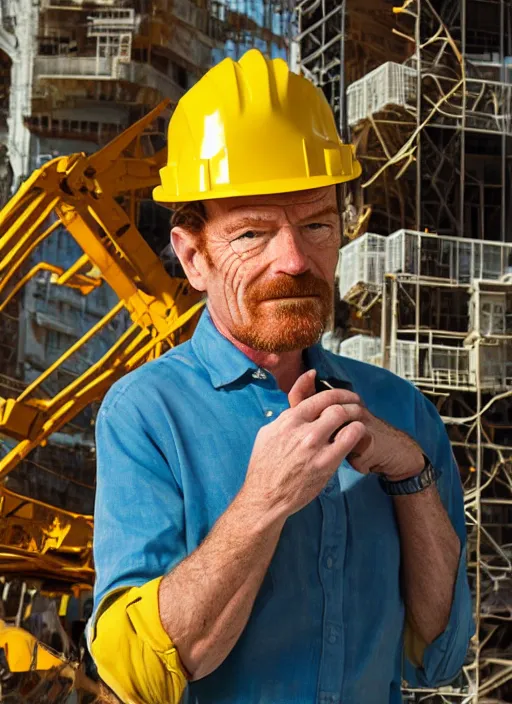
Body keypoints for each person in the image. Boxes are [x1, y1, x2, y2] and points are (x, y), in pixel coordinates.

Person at [88, 49, 475, 704]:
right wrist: (264, 499)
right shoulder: (147, 414)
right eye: (252, 234)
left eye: (317, 224)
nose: (295, 259)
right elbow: (138, 676)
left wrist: (411, 473)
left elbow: (436, 656)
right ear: (193, 257)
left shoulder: (401, 414)